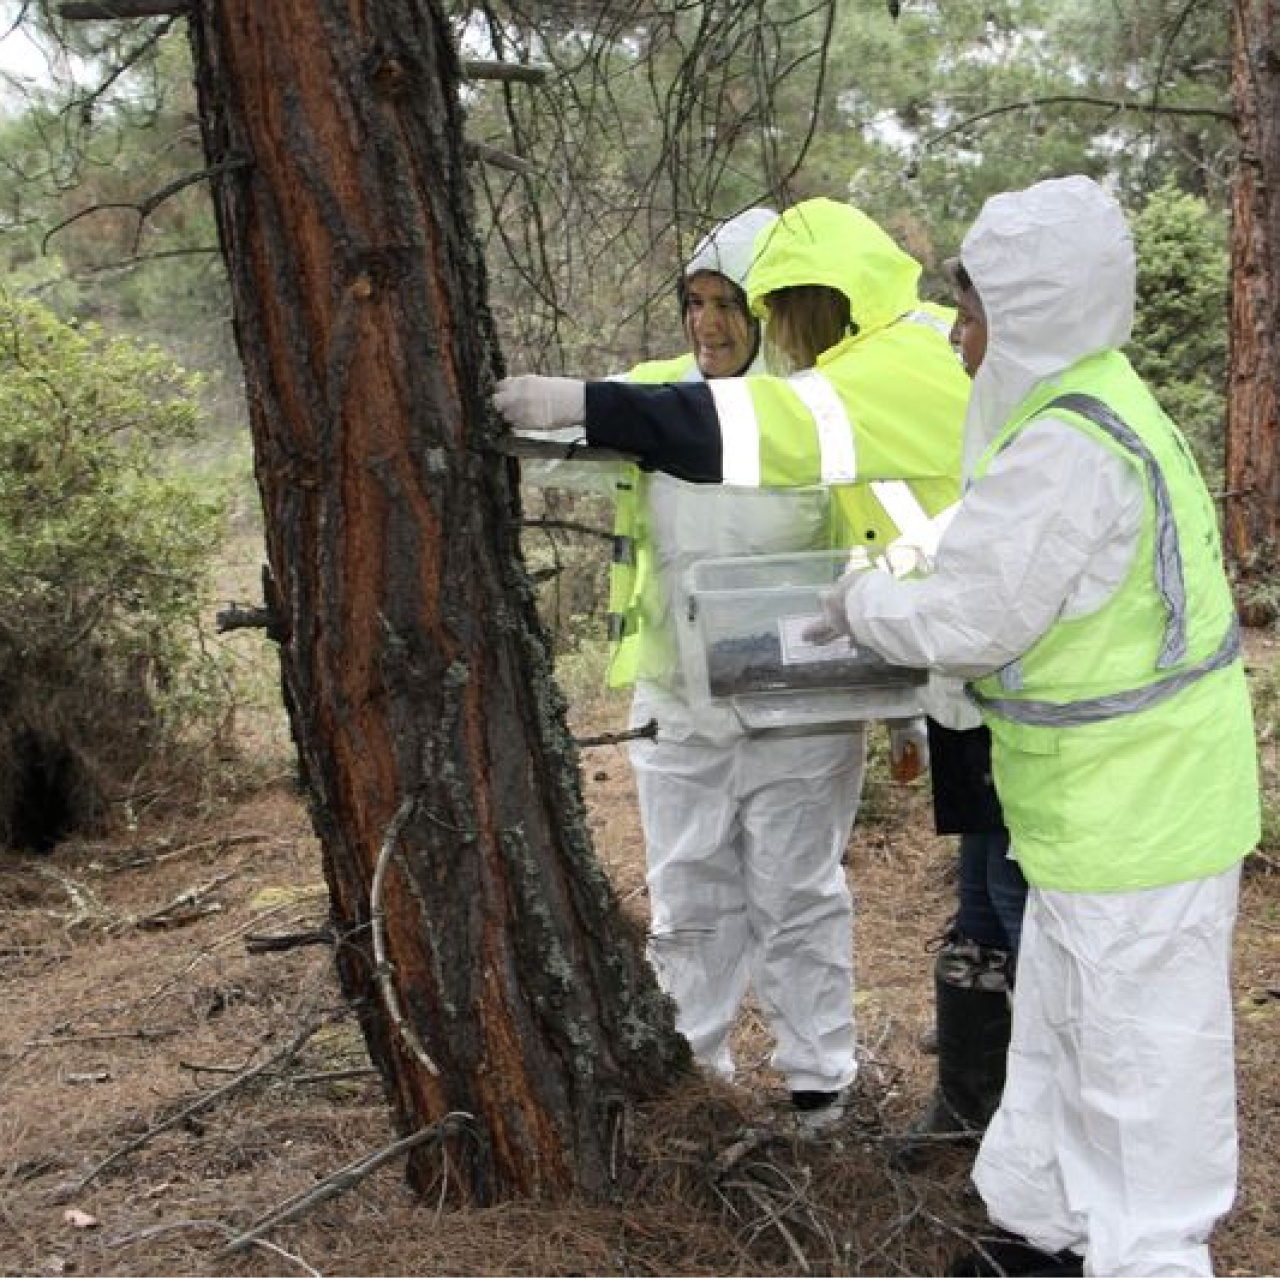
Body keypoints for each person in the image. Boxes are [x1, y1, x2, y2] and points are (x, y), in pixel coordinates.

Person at [811, 175, 1259, 1277]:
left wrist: (858, 599)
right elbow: (1009, 564)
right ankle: (1047, 1229)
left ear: (1026, 317)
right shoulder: (1091, 401)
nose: (957, 335)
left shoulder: (1068, 443)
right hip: (1101, 809)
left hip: (1137, 813)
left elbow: (972, 612)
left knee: (1138, 1065)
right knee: (1064, 1025)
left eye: (970, 312)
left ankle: (1146, 1255)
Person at [498, 197, 969, 1127]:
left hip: (805, 708)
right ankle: (694, 1074)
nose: (708, 324)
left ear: (770, 312)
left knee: (799, 890)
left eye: (730, 304)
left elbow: (880, 548)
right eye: (696, 301)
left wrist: (906, 706)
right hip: (679, 705)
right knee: (689, 891)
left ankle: (818, 1083)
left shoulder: (824, 404)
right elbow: (563, 433)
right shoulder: (661, 391)